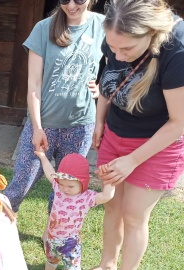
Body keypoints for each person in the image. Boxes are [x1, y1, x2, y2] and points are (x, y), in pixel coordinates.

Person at [91, 0, 184, 269]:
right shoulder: (115, 36)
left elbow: (178, 123)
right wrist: (100, 121)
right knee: (112, 206)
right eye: (113, 47)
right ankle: (107, 265)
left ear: (150, 34)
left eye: (127, 49)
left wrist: (131, 160)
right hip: (116, 131)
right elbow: (109, 79)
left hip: (158, 143)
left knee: (133, 215)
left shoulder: (177, 49)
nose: (118, 55)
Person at [4, 0, 105, 215]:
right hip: (43, 124)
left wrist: (103, 86)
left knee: (67, 190)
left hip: (80, 126)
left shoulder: (104, 26)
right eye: (65, 0)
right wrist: (38, 127)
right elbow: (34, 84)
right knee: (19, 185)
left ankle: (54, 234)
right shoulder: (43, 28)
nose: (71, 5)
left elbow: (123, 62)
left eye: (78, 0)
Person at [34, 150, 115, 270]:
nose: (65, 189)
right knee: (50, 262)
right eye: (62, 184)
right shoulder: (58, 188)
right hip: (52, 239)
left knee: (72, 267)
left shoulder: (86, 197)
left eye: (70, 186)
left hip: (70, 243)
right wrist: (42, 157)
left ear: (82, 183)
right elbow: (50, 172)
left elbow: (106, 196)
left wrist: (109, 180)